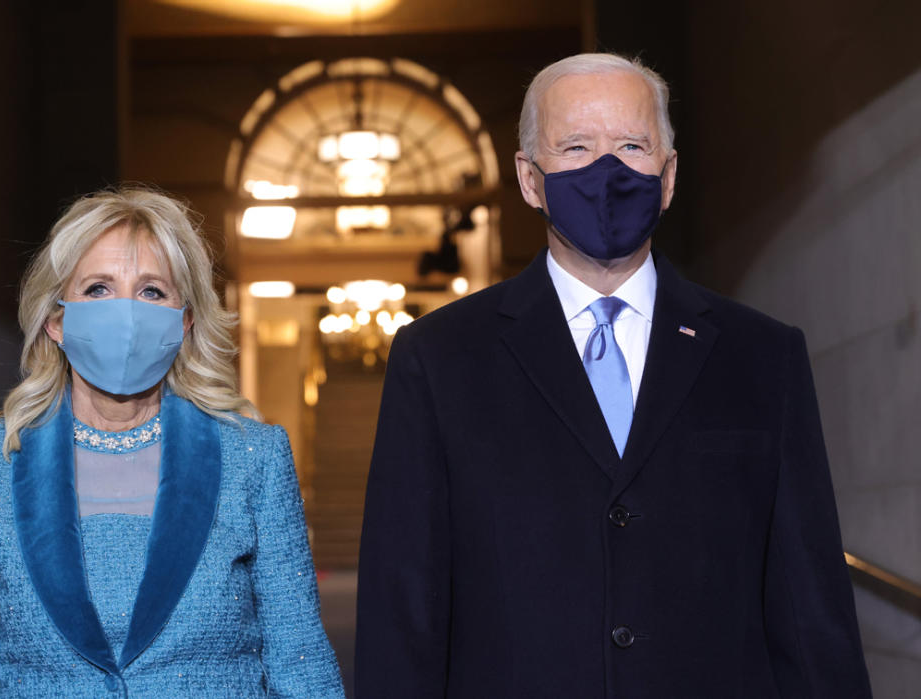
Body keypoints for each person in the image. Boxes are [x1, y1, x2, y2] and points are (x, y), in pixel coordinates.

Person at [356, 54, 872, 698]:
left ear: (669, 174)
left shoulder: (763, 356)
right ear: (529, 178)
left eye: (632, 145)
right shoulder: (438, 358)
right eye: (575, 146)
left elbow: (809, 599)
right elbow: (403, 603)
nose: (607, 170)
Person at [0, 188, 344, 697]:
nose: (125, 312)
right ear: (56, 320)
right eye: (98, 288)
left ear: (184, 321)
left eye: (151, 291)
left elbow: (302, 667)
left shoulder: (254, 459)